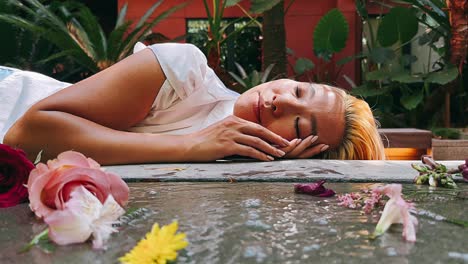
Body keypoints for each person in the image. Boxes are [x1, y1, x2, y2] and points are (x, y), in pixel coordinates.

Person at [1, 43, 385, 165]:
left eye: (299, 127)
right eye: (299, 91)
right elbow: (25, 135)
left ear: (300, 152)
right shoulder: (185, 72)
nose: (278, 101)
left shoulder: (242, 165)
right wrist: (192, 145)